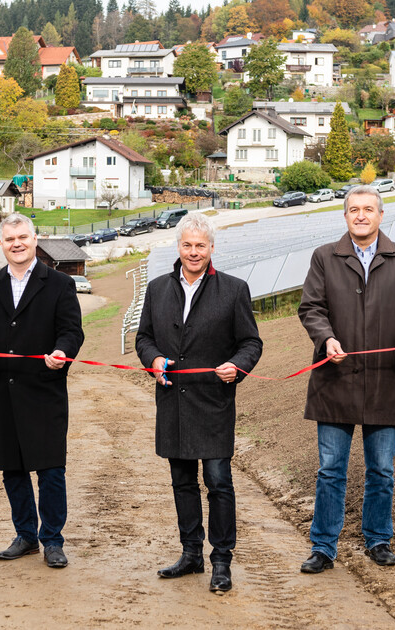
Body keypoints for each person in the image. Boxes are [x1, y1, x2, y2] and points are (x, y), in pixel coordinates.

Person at [297, 186, 395, 574]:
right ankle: (323, 546)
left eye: (368, 209)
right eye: (353, 210)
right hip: (334, 380)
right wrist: (327, 339)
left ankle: (378, 539)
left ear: (380, 215)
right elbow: (311, 307)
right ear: (345, 217)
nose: (361, 215)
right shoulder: (324, 257)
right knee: (330, 470)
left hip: (384, 380)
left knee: (382, 471)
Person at [135, 214, 262, 593]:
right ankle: (190, 554)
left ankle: (221, 560)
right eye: (187, 245)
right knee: (182, 481)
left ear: (211, 249)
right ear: (179, 247)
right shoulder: (157, 289)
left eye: (200, 246)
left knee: (219, 482)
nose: (194, 252)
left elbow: (251, 343)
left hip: (214, 402)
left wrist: (236, 366)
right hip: (173, 401)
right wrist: (153, 359)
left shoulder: (234, 289)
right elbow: (144, 338)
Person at [0, 214, 84, 569]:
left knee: (50, 471)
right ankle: (26, 535)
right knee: (12, 469)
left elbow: (72, 332)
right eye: (9, 238)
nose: (16, 243)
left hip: (43, 391)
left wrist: (62, 352)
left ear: (35, 239)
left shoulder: (59, 284)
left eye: (22, 237)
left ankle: (53, 540)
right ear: (2, 244)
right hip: (1, 392)